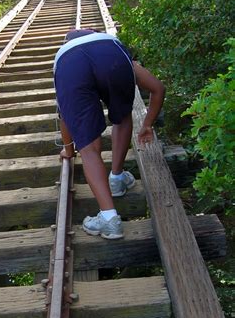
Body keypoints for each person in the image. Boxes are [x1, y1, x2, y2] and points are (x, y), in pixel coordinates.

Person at [54, 29, 165, 239]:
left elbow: (66, 116)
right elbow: (158, 88)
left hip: (72, 70)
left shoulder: (64, 55)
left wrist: (68, 151)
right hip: (112, 60)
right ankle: (116, 178)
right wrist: (147, 125)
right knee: (123, 117)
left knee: (88, 147)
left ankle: (109, 219)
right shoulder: (110, 44)